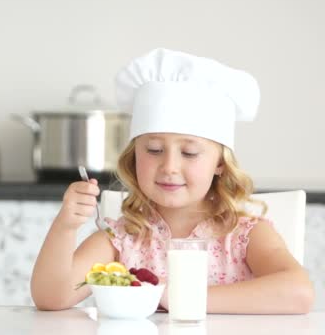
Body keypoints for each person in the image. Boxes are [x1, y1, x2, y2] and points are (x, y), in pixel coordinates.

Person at [30, 48, 314, 314]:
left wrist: (176, 297)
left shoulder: (245, 236)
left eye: (189, 153)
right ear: (134, 157)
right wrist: (65, 226)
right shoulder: (121, 240)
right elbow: (51, 298)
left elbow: (298, 293)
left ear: (219, 163)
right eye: (153, 150)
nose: (169, 167)